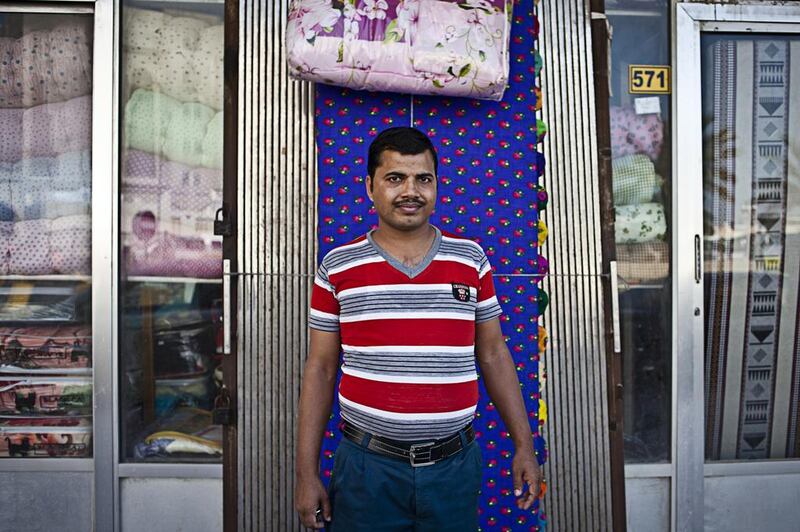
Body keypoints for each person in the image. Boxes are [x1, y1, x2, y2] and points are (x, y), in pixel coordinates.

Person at [295, 126, 542, 531]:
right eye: (395, 178)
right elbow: (320, 368)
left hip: (454, 468)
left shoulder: (470, 260)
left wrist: (524, 446)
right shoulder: (337, 267)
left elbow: (494, 353)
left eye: (422, 179)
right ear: (370, 186)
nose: (410, 190)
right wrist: (305, 475)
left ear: (436, 186)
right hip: (366, 471)